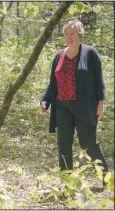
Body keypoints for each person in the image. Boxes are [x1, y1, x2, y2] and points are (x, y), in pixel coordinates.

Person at [40, 19, 108, 185]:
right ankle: (66, 183)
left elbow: (99, 79)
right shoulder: (59, 56)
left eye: (72, 34)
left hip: (84, 106)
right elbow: (53, 82)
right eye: (66, 34)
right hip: (62, 106)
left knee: (88, 142)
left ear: (80, 34)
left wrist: (100, 102)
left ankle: (107, 179)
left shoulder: (90, 53)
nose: (68, 37)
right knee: (64, 143)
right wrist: (45, 100)